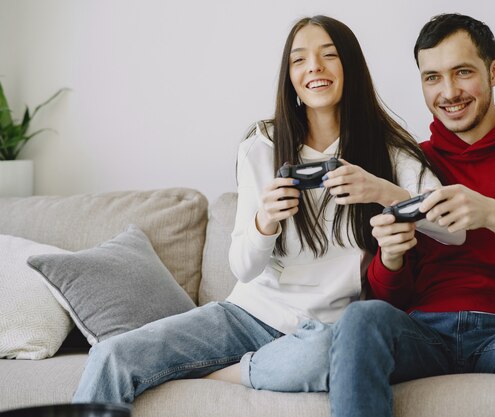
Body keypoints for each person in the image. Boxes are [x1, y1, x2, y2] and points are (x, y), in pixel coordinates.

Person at [71, 15, 462, 406]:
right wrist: (265, 221)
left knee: (327, 357)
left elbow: (454, 230)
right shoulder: (262, 145)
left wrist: (380, 189)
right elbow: (243, 268)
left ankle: (235, 372)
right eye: (299, 60)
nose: (315, 67)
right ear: (289, 76)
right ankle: (253, 363)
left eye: (329, 55)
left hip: (328, 328)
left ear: (351, 67)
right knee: (112, 357)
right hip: (247, 316)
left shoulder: (388, 150)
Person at [327, 13, 495, 417]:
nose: (449, 91)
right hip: (422, 333)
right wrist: (391, 259)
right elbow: (389, 298)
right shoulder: (410, 160)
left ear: (494, 71)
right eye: (432, 77)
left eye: (463, 72)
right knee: (360, 319)